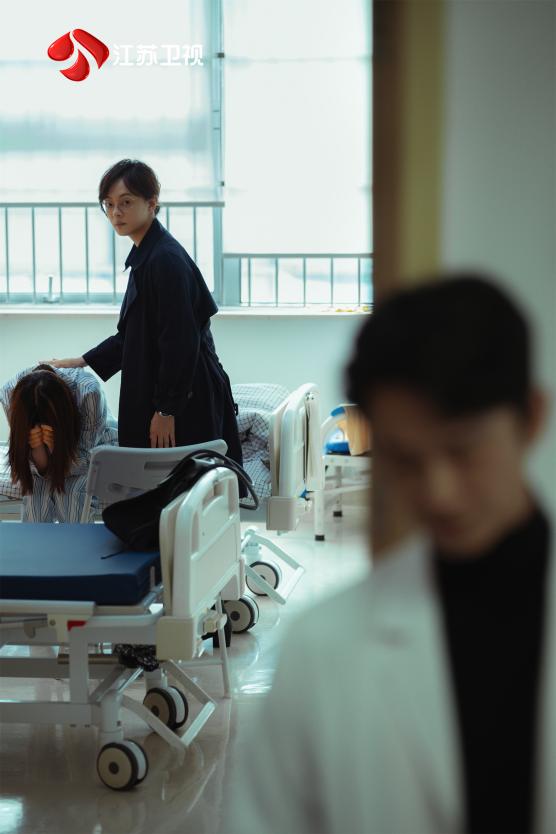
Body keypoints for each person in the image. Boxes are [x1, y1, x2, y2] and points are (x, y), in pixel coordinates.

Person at [226, 273, 555, 834]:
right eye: (405, 460)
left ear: (531, 418)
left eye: (462, 450)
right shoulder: (322, 650)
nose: (438, 492)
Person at [46, 158, 243, 471]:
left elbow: (180, 343)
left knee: (177, 482)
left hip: (186, 397)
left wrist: (167, 410)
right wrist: (83, 360)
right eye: (109, 204)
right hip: (171, 390)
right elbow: (134, 336)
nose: (116, 212)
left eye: (126, 202)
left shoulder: (164, 260)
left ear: (152, 203)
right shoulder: (146, 255)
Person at [0, 364, 117, 522]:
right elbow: (26, 461)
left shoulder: (89, 393)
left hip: (89, 447)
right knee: (35, 507)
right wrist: (38, 449)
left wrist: (57, 449)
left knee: (72, 503)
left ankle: (74, 538)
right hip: (44, 458)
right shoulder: (10, 394)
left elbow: (87, 458)